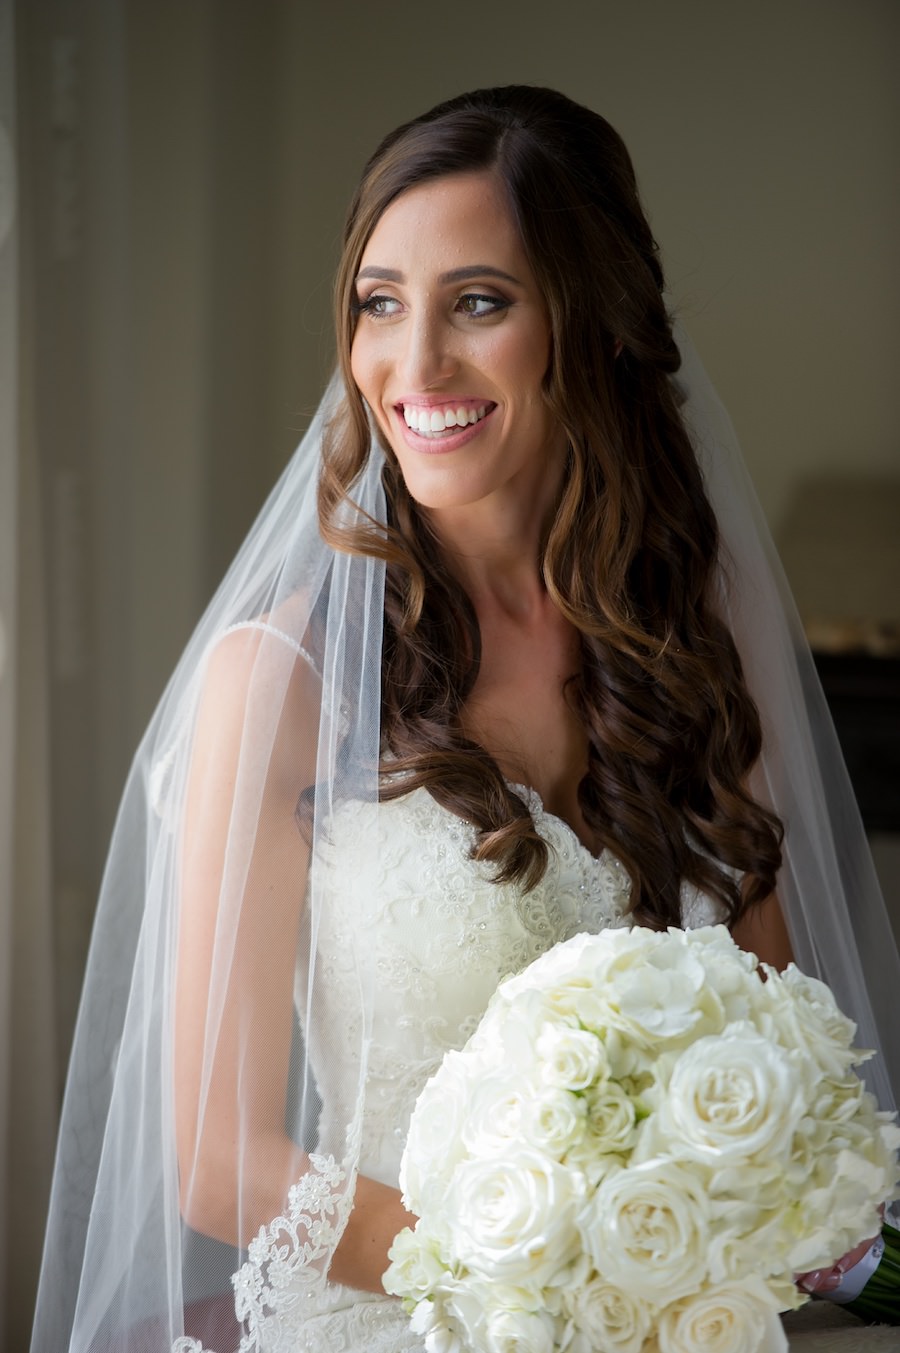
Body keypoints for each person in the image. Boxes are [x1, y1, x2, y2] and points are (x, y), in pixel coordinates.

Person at [31, 85, 900, 1353]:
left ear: (589, 326)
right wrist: (555, 1295)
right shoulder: (277, 679)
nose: (416, 364)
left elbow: (787, 1061)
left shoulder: (696, 638)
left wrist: (704, 1267)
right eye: (380, 303)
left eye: (479, 302)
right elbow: (220, 1161)